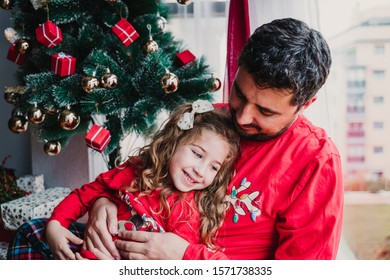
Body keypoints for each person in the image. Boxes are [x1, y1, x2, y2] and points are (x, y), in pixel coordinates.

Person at [8, 17, 344, 260]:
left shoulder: (316, 161)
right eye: (239, 94)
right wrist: (105, 203)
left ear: (305, 105)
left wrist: (186, 258)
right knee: (31, 235)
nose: (241, 117)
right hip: (126, 250)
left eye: (266, 112)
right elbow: (144, 169)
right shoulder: (207, 121)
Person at [7, 100, 240, 260]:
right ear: (174, 143)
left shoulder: (189, 210)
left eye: (213, 167)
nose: (201, 170)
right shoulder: (136, 168)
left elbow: (163, 264)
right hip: (87, 247)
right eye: (197, 154)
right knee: (31, 229)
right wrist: (56, 225)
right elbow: (87, 193)